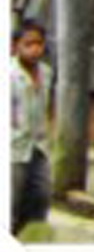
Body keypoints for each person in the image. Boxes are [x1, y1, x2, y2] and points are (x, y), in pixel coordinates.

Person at [12, 20, 51, 234]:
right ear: (16, 46)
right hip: (13, 147)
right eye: (29, 44)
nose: (35, 49)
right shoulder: (9, 75)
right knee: (12, 200)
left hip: (38, 145)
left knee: (41, 196)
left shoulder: (46, 72)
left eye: (39, 44)